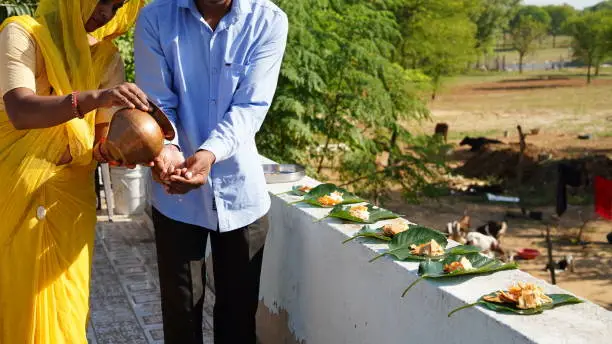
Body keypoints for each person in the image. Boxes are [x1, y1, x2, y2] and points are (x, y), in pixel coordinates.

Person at [135, 0, 288, 342]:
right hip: (174, 191)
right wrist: (169, 150)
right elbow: (157, 101)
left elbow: (251, 105)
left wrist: (209, 153)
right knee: (181, 313)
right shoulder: (155, 17)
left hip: (240, 191)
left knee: (238, 316)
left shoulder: (268, 20)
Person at [0, 0, 148, 342]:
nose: (106, 14)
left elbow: (100, 140)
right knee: (17, 298)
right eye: (102, 2)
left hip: (71, 202)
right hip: (14, 188)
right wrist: (93, 98)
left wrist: (119, 152)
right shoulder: (22, 33)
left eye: (116, 6)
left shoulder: (107, 58)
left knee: (67, 302)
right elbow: (20, 110)